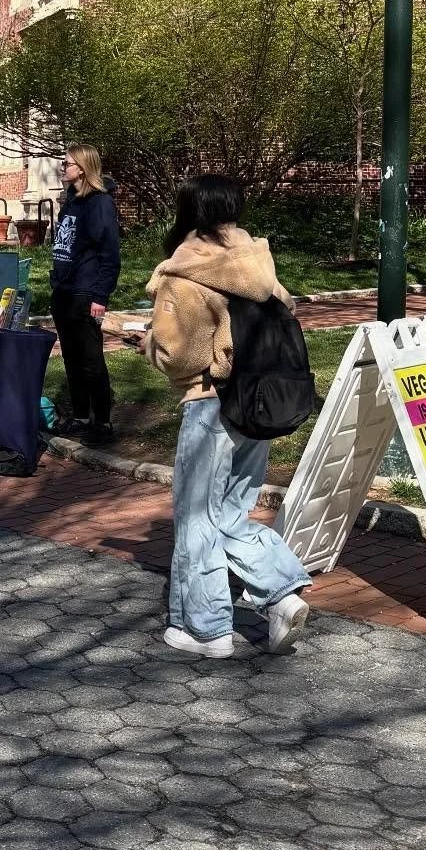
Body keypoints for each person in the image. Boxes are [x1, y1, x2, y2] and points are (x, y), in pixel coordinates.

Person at [144, 173, 311, 658]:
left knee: (197, 517)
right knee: (231, 514)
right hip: (256, 403)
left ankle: (205, 628)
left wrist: (147, 342)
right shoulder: (256, 262)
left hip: (208, 403)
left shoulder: (185, 274)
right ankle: (281, 593)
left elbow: (179, 355)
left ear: (189, 212)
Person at [49, 145, 121, 445]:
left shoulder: (100, 204)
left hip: (86, 293)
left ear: (82, 168)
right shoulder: (71, 201)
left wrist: (100, 297)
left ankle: (102, 422)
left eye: (66, 164)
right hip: (64, 292)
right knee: (71, 357)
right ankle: (80, 417)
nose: (62, 168)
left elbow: (110, 255)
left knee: (91, 359)